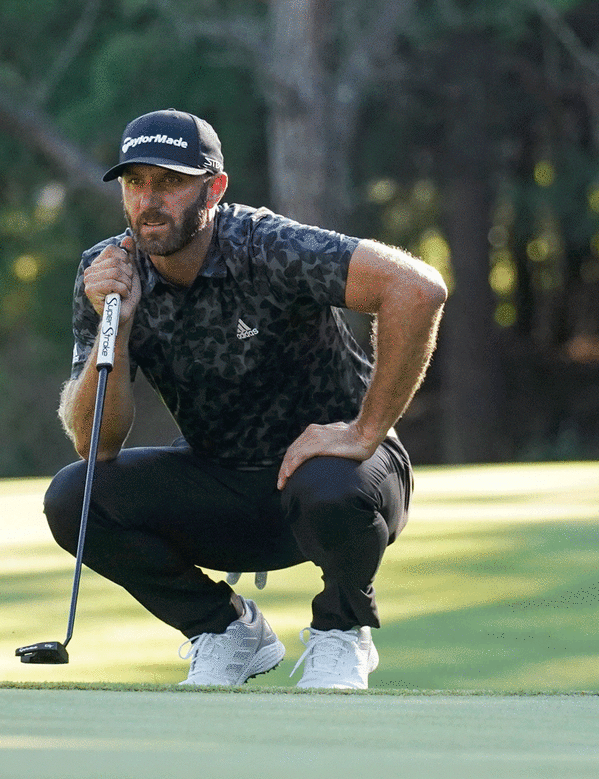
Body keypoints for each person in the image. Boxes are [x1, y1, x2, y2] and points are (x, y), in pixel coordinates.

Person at [43, 109, 446, 689]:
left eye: (171, 182)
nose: (148, 201)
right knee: (75, 496)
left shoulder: (267, 245)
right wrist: (121, 324)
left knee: (329, 483)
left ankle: (340, 630)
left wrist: (365, 430)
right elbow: (95, 443)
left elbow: (417, 287)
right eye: (135, 182)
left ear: (215, 188)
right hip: (224, 486)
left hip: (341, 487)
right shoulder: (107, 274)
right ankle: (226, 632)